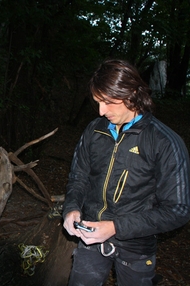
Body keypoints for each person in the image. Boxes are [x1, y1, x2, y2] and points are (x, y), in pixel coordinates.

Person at [62, 59, 190, 286]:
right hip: (90, 238)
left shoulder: (164, 142)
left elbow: (178, 210)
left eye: (108, 102)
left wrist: (115, 227)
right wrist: (71, 208)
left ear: (131, 94)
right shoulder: (94, 131)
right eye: (97, 102)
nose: (101, 112)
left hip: (136, 248)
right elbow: (78, 177)